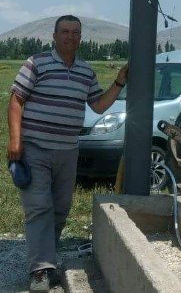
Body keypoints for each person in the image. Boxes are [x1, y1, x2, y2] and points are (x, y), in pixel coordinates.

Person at [7, 15, 128, 291]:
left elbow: (97, 105)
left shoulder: (86, 72)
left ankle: (46, 256)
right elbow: (16, 99)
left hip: (68, 150)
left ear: (81, 38)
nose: (70, 36)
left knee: (61, 209)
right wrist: (15, 140)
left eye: (75, 32)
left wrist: (119, 82)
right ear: (54, 36)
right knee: (39, 206)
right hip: (35, 148)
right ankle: (41, 270)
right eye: (64, 31)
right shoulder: (37, 63)